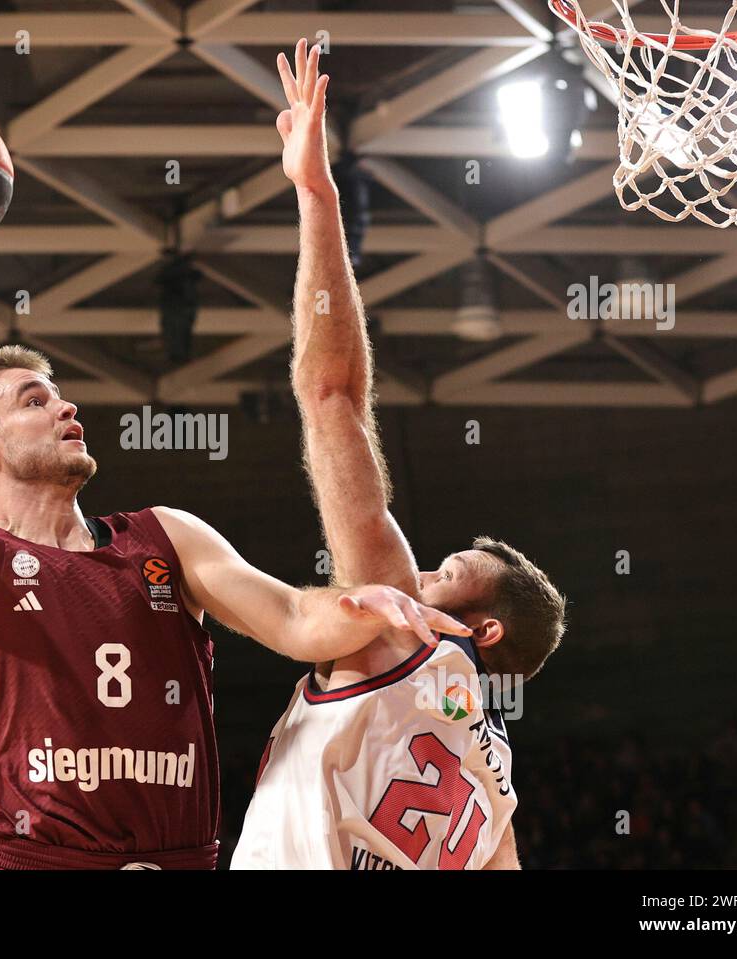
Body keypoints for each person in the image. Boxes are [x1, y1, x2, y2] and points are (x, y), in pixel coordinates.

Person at [0, 181, 471, 870]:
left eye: (64, 398)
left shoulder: (165, 538)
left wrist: (366, 603)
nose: (68, 411)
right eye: (36, 401)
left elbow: (297, 617)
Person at [232, 40, 567, 871]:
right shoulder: (499, 793)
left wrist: (315, 194)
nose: (417, 579)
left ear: (480, 629)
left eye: (447, 572)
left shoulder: (406, 635)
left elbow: (333, 394)